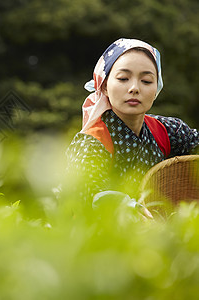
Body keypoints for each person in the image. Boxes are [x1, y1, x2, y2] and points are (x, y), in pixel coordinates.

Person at [66, 38, 198, 205]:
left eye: (146, 81)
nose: (134, 88)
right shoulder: (93, 143)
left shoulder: (167, 130)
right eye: (123, 78)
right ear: (104, 86)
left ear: (157, 87)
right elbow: (89, 200)